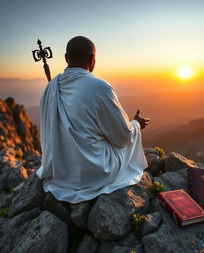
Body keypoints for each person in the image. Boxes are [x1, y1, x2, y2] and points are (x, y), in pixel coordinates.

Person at [36, 36, 149, 203]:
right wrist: (136, 125)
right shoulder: (99, 87)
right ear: (92, 59)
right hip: (93, 174)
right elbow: (122, 137)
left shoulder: (49, 87)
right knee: (128, 141)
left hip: (59, 172)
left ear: (66, 58)